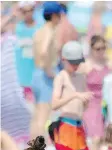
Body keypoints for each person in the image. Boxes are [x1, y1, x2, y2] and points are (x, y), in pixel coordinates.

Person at [51, 41, 92, 150]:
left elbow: (83, 106)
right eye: (73, 63)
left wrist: (85, 101)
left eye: (78, 63)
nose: (76, 66)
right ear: (64, 60)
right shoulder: (61, 77)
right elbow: (54, 105)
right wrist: (74, 95)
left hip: (79, 126)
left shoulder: (81, 77)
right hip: (66, 126)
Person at [31, 1, 63, 139]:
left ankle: (31, 148)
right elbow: (44, 51)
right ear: (54, 16)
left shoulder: (39, 30)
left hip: (36, 74)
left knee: (37, 115)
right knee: (43, 116)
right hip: (45, 76)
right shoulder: (49, 31)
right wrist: (49, 70)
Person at [81, 35, 112, 150]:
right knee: (95, 137)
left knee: (106, 137)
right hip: (91, 104)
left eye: (103, 48)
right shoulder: (86, 66)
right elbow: (80, 86)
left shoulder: (110, 64)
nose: (100, 51)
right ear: (91, 49)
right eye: (97, 48)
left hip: (106, 103)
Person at [14, 1, 40, 102]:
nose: (28, 14)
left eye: (30, 10)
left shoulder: (39, 27)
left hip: (35, 75)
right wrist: (13, 14)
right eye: (24, 11)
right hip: (20, 77)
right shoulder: (17, 27)